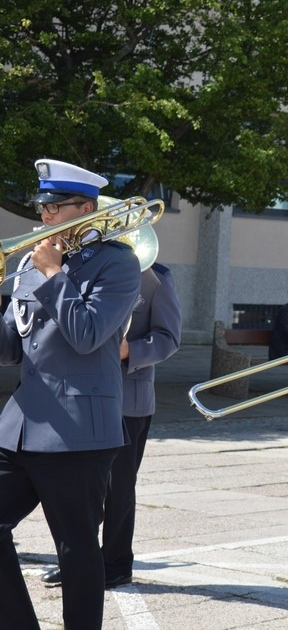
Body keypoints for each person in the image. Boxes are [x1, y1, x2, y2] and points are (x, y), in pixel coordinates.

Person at [0, 159, 141, 630]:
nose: (44, 217)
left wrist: (53, 275)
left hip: (79, 433)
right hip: (21, 426)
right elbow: (9, 350)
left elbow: (88, 334)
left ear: (86, 208)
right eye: (42, 206)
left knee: (77, 549)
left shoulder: (118, 262)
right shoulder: (29, 261)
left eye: (55, 207)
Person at [41, 261, 182, 590]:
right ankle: (79, 558)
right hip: (80, 394)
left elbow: (169, 338)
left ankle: (116, 563)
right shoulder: (83, 267)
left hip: (127, 400)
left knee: (118, 488)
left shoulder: (156, 278)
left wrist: (130, 349)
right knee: (78, 483)